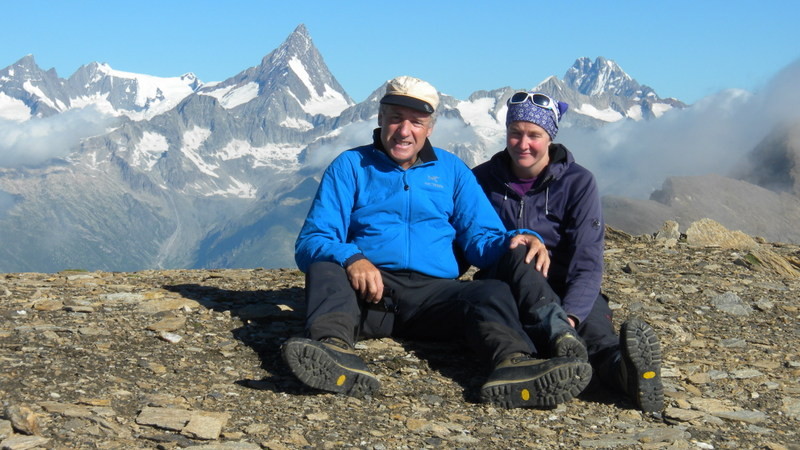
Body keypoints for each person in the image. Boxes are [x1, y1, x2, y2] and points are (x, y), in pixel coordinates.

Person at [283, 76, 592, 409]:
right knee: (327, 268)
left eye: (416, 122)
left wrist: (515, 240)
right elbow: (312, 240)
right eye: (395, 118)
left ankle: (514, 364)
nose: (404, 130)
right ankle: (333, 350)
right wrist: (352, 257)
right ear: (380, 119)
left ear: (429, 127)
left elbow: (480, 239)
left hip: (435, 298)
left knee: (492, 291)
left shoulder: (452, 171)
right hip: (367, 295)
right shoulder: (350, 166)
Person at [471, 91, 665, 412]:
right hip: (504, 287)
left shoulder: (578, 183)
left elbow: (587, 262)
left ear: (549, 138)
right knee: (503, 325)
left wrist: (571, 316)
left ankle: (625, 371)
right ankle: (538, 366)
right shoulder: (480, 180)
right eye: (515, 133)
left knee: (597, 335)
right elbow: (465, 239)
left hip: (565, 290)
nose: (523, 143)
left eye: (534, 135)